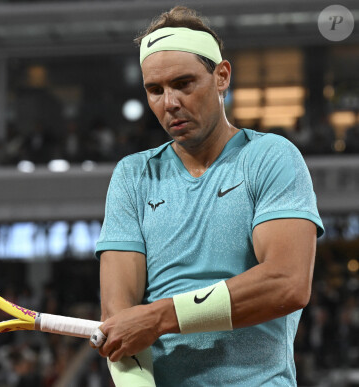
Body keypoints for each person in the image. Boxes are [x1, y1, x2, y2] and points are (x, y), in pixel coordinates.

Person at [91, 6, 324, 386]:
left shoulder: (271, 157)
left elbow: (287, 282)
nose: (169, 103)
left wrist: (160, 317)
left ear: (221, 76)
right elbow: (120, 319)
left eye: (184, 83)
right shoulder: (133, 175)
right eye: (155, 90)